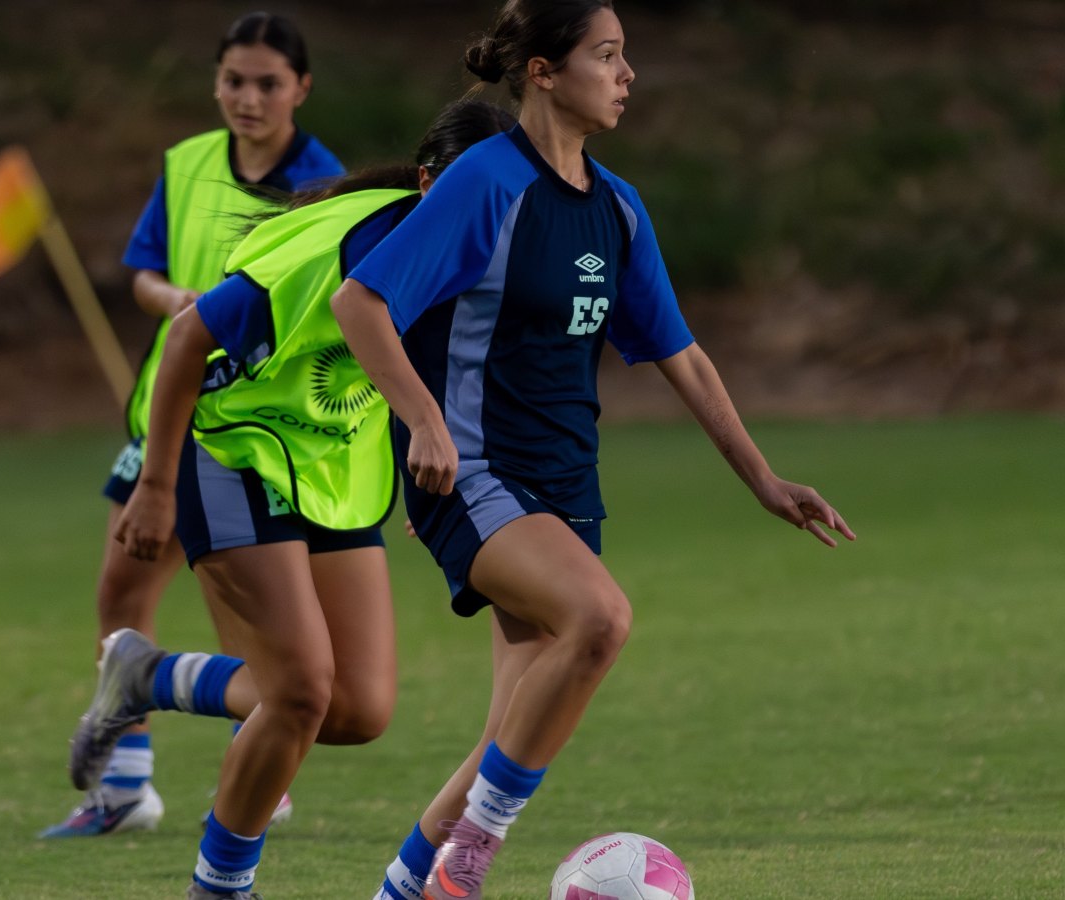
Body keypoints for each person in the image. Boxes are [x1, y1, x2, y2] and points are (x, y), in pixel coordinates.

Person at [329, 2, 858, 898]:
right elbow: (361, 304)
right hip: (476, 472)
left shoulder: (617, 208)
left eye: (625, 56)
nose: (627, 74)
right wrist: (421, 420)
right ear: (541, 71)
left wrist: (762, 478)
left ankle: (402, 890)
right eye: (606, 55)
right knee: (602, 620)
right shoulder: (487, 181)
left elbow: (680, 355)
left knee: (513, 729)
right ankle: (466, 871)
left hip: (569, 488)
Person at [65, 99, 518, 899]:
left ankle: (148, 679)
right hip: (233, 449)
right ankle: (222, 886)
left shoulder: (482, 264)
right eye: (471, 192)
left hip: (332, 470)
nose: (489, 212)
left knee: (358, 710)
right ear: (427, 184)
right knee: (302, 691)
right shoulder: (331, 247)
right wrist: (157, 486)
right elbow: (184, 338)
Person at [39, 12, 346, 839]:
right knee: (123, 587)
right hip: (165, 410)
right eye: (234, 81)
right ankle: (126, 792)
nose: (248, 98)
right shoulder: (186, 164)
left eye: (268, 83)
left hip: (254, 428)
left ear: (301, 90)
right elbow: (144, 271)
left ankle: (261, 761)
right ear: (215, 83)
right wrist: (176, 303)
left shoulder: (323, 182)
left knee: (247, 615)